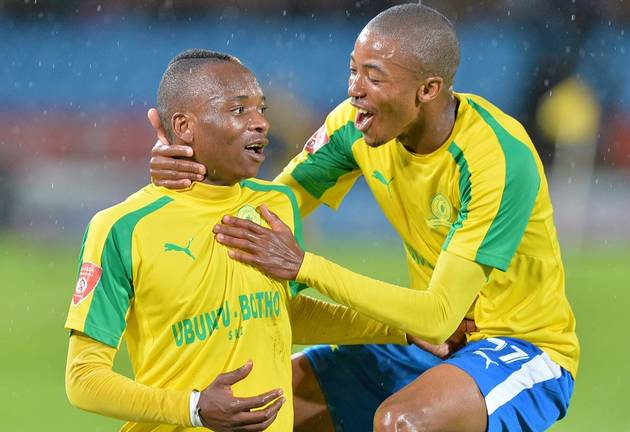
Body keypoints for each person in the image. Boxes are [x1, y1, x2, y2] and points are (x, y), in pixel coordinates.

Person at [149, 5, 579, 432]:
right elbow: (261, 214)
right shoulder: (354, 129)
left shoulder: (495, 160)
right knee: (259, 407)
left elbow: (439, 314)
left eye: (374, 78)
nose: (355, 89)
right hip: (429, 345)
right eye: (353, 71)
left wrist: (305, 268)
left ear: (428, 89)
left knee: (401, 423)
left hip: (521, 347)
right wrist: (192, 177)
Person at [64, 49, 415, 432]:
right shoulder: (122, 228)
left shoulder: (276, 204)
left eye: (261, 109)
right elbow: (84, 379)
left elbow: (282, 313)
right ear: (183, 126)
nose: (262, 123)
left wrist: (403, 328)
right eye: (238, 111)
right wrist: (193, 408)